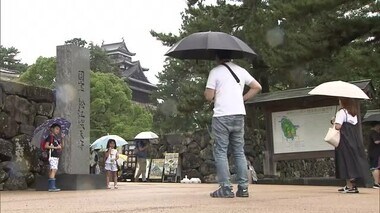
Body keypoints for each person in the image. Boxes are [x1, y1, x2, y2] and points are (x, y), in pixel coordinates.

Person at [204, 50, 262, 198]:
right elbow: (257, 87)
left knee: (221, 151)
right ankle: (243, 188)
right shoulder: (241, 71)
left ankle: (226, 188)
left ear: (217, 56)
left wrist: (212, 94)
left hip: (222, 115)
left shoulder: (215, 71)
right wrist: (242, 99)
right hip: (238, 115)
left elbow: (209, 96)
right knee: (239, 151)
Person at [334, 98, 370, 193]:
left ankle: (351, 186)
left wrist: (333, 121)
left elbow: (338, 126)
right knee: (352, 160)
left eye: (340, 100)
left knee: (345, 160)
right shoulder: (353, 113)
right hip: (354, 138)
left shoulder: (341, 112)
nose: (339, 102)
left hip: (344, 139)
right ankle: (349, 185)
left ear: (343, 102)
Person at [45, 123, 64, 192]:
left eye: (59, 129)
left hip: (56, 156)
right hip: (52, 155)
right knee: (53, 169)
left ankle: (51, 186)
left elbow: (61, 147)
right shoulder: (50, 137)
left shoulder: (56, 139)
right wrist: (55, 147)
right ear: (52, 129)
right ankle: (52, 186)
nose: (57, 131)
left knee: (53, 170)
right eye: (56, 129)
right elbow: (46, 146)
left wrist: (62, 139)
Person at [367, 121, 380, 189]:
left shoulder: (371, 132)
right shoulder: (374, 133)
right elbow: (376, 141)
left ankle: (377, 182)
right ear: (376, 125)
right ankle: (376, 183)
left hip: (372, 152)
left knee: (374, 167)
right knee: (376, 167)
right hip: (376, 153)